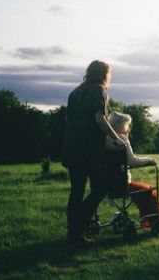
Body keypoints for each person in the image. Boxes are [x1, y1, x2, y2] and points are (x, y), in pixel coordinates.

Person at [62, 60, 125, 245]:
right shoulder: (98, 90)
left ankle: (74, 232)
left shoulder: (75, 92)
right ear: (104, 74)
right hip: (88, 149)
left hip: (71, 147)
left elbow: (69, 120)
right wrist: (116, 137)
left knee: (77, 191)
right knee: (101, 187)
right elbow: (100, 118)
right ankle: (79, 225)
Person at [105, 112, 159, 230]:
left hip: (105, 184)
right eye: (127, 125)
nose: (128, 128)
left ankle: (155, 219)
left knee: (143, 190)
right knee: (149, 191)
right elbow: (132, 162)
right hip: (121, 184)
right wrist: (150, 160)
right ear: (121, 127)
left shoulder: (103, 139)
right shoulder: (121, 140)